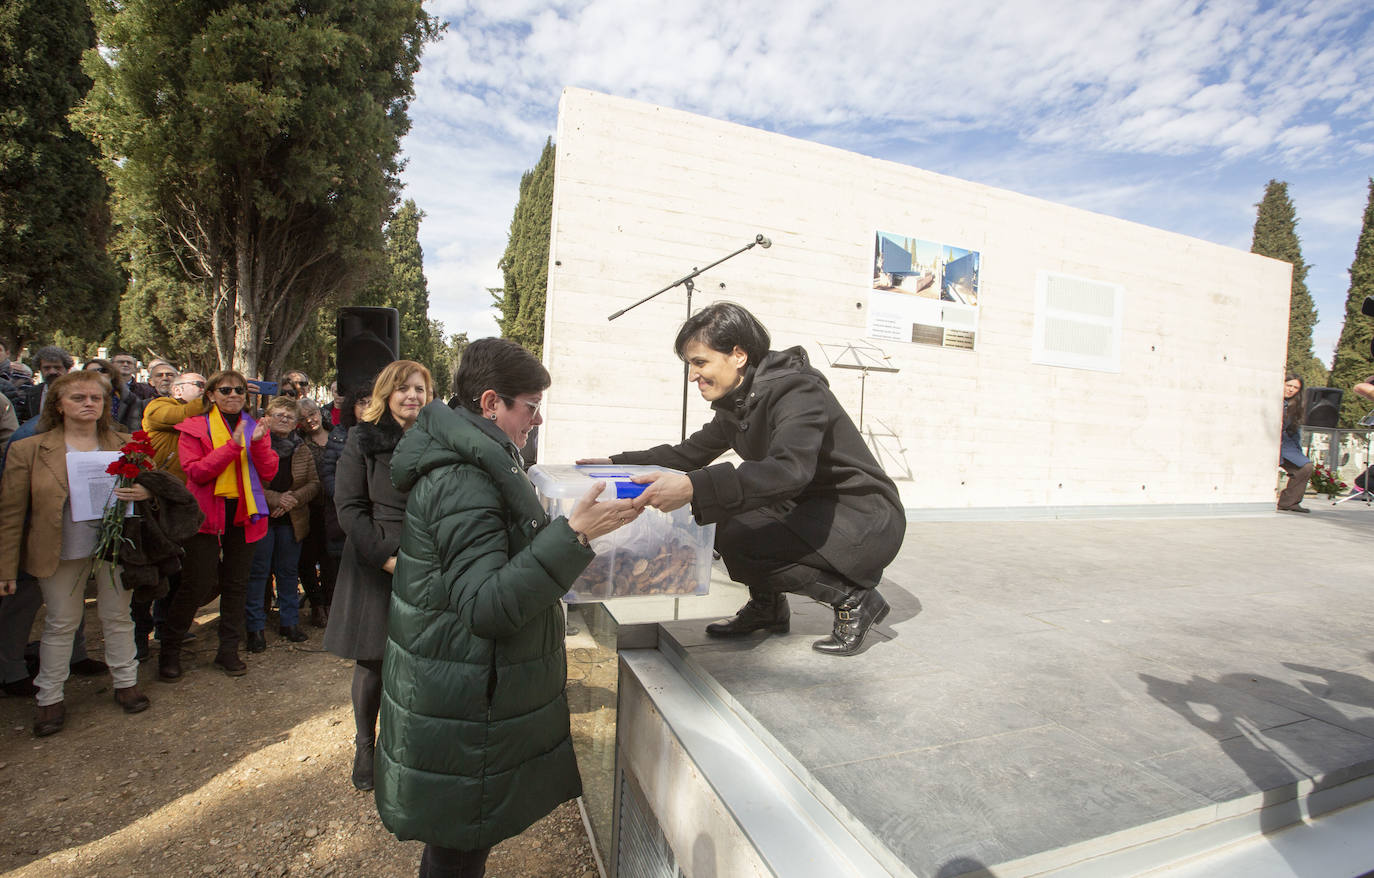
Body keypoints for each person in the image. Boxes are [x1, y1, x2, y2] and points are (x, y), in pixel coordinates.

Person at [376, 338, 640, 878]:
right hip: (465, 698)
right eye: (531, 405)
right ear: (491, 402)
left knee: (458, 841)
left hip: (463, 687)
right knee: (458, 846)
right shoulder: (464, 477)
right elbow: (487, 607)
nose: (537, 419)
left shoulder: (481, 459)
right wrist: (573, 537)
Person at [584, 302, 905, 657]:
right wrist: (614, 462)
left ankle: (854, 599)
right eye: (690, 365)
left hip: (860, 516)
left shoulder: (797, 392)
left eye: (700, 363)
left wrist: (693, 486)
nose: (692, 375)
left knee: (735, 530)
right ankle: (768, 607)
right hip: (809, 510)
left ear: (738, 355)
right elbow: (687, 454)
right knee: (721, 519)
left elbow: (789, 469)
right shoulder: (738, 403)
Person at [0, 370, 152, 736]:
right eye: (78, 398)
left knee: (118, 616)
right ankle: (49, 698)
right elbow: (11, 513)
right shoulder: (29, 449)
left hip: (114, 546)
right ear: (59, 404)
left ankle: (126, 682)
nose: (88, 404)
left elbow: (155, 483)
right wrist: (6, 567)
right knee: (61, 623)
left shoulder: (126, 442)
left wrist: (145, 493)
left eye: (95, 399)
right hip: (60, 550)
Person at [323, 361, 432, 792]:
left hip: (425, 559)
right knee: (373, 660)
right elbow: (348, 506)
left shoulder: (435, 441)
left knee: (417, 661)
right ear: (387, 393)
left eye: (420, 389)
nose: (412, 396)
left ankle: (403, 744)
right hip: (375, 558)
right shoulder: (361, 439)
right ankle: (365, 745)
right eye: (404, 388)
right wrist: (386, 557)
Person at [158, 370, 277, 680]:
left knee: (237, 584)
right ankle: (169, 650)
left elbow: (268, 472)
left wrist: (260, 444)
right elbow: (196, 472)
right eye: (225, 390)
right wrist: (233, 446)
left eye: (239, 390)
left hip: (244, 512)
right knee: (195, 584)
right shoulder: (194, 427)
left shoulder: (252, 425)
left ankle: (228, 651)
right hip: (205, 516)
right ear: (210, 395)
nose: (234, 395)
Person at [244, 396, 319, 651]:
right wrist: (276, 499)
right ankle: (255, 628)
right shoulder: (255, 444)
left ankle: (290, 622)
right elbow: (249, 480)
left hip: (292, 519)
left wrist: (291, 501)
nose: (285, 420)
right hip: (262, 517)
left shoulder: (302, 449)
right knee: (259, 573)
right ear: (267, 417)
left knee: (288, 572)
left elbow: (314, 483)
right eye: (279, 415)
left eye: (290, 417)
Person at [296, 397, 338, 628]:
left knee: (331, 558)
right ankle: (316, 604)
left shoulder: (338, 435)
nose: (310, 420)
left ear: (320, 412)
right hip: (308, 508)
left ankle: (331, 603)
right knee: (308, 559)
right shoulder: (299, 443)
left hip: (334, 507)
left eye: (312, 413)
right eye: (303, 418)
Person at [1278, 372, 1314, 513]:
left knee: (1305, 466)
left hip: (1285, 444)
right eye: (1289, 385)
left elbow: (1294, 432)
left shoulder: (1296, 406)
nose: (1291, 389)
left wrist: (1298, 452)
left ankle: (1289, 502)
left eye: (1295, 388)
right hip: (1267, 441)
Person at [84, 357, 144, 433]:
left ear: (111, 374)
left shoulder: (129, 399)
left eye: (103, 371)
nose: (98, 374)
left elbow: (134, 428)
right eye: (92, 372)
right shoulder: (77, 398)